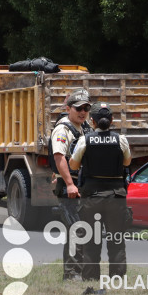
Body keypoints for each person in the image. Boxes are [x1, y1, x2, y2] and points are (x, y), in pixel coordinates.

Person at [69, 102, 132, 281]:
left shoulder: (85, 140)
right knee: (117, 241)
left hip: (92, 198)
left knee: (91, 241)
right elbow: (127, 163)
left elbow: (73, 165)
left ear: (92, 121)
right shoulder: (120, 140)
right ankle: (117, 278)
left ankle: (90, 278)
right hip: (116, 196)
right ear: (111, 120)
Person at [51, 88, 92, 281]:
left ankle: (80, 271)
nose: (83, 112)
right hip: (70, 188)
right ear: (69, 109)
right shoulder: (63, 129)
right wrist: (69, 184)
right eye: (78, 108)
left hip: (81, 187)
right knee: (77, 230)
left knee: (83, 229)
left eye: (86, 108)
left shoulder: (83, 128)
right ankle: (72, 273)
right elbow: (59, 157)